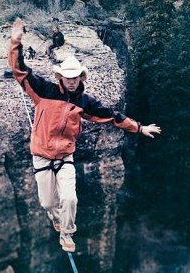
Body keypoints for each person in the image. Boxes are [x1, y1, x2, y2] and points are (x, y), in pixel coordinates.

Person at [9, 18, 161, 252]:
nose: (71, 81)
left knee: (69, 199)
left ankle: (67, 234)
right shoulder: (44, 91)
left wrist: (139, 128)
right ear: (60, 77)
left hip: (64, 158)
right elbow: (20, 71)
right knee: (48, 202)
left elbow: (113, 116)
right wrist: (16, 41)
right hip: (41, 156)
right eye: (67, 77)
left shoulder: (84, 102)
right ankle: (56, 218)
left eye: (75, 77)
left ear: (81, 77)